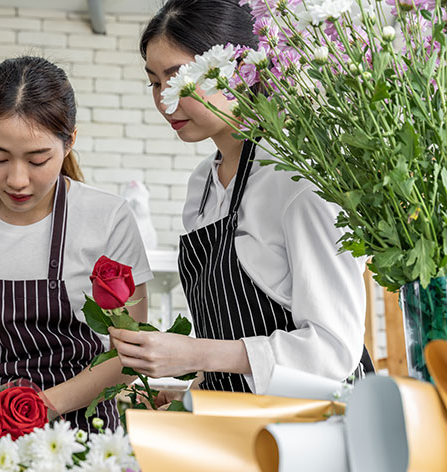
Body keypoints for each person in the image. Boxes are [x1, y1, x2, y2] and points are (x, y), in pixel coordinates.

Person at [108, 0, 373, 398]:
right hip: (244, 418)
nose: (165, 100)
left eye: (179, 79)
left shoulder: (298, 180)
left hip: (321, 421)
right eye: (155, 83)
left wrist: (194, 354)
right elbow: (234, 343)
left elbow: (333, 352)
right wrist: (194, 394)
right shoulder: (202, 184)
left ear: (238, 70)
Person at [0, 56, 153, 431]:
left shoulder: (108, 218)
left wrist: (38, 409)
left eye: (38, 159)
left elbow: (129, 352)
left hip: (83, 437)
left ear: (70, 142)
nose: (17, 180)